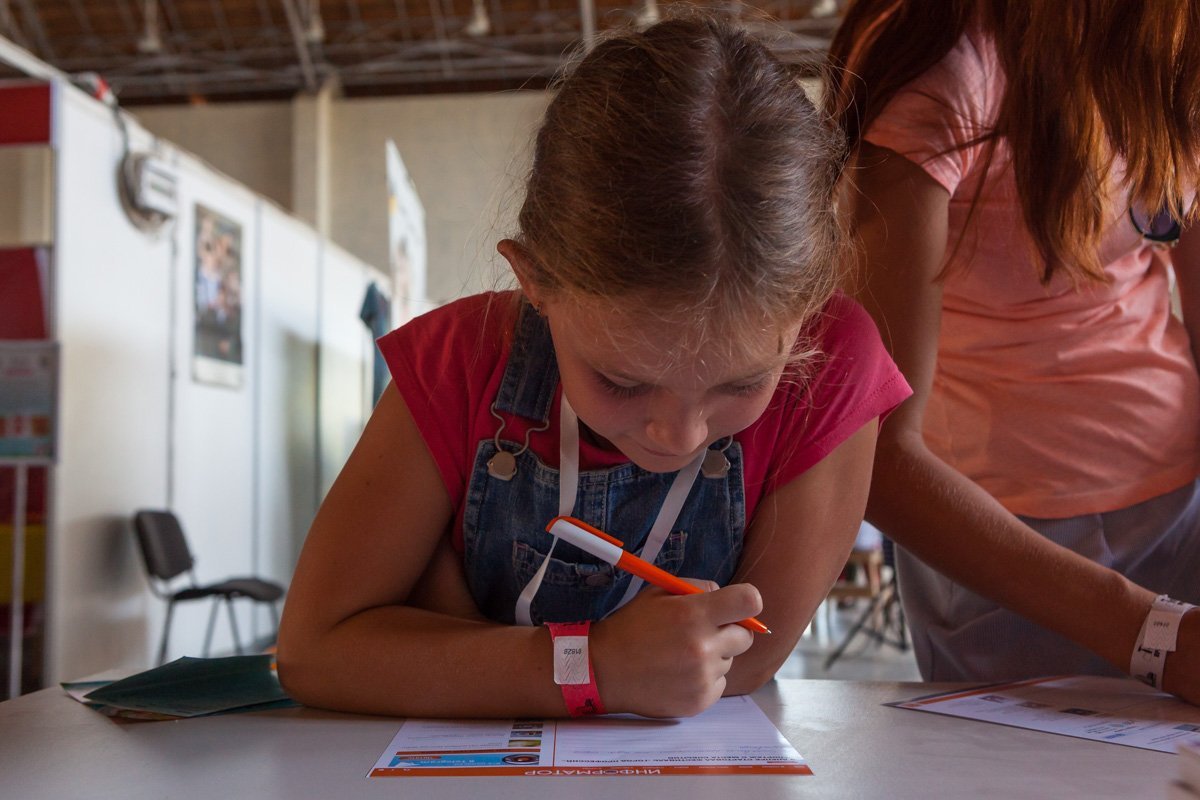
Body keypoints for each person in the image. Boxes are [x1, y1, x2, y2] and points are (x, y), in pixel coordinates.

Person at [276, 13, 911, 720]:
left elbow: (745, 659)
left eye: (741, 383)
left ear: (810, 303)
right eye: (623, 381)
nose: (677, 434)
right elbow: (316, 649)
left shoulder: (835, 364)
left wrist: (444, 633)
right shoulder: (457, 358)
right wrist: (592, 665)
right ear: (534, 280)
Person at [826, 0, 1200, 701]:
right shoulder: (943, 65)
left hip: (1182, 511)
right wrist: (1150, 631)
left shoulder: (1160, 31)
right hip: (1010, 555)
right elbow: (873, 452)